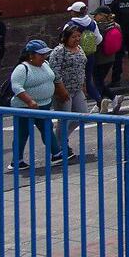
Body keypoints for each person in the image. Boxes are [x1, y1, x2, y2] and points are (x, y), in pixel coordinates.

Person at [9, 40, 58, 170]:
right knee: (22, 132)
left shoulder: (45, 64)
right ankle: (17, 160)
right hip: (24, 107)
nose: (44, 57)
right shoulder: (22, 68)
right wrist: (29, 101)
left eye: (45, 54)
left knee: (47, 128)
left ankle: (57, 154)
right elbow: (16, 87)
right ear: (31, 55)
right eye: (40, 54)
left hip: (44, 104)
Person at [49, 25, 88, 160]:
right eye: (73, 37)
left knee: (82, 115)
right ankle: (60, 146)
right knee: (65, 119)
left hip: (77, 89)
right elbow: (55, 72)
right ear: (66, 37)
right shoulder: (59, 51)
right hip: (63, 90)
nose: (77, 39)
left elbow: (82, 68)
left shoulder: (79, 48)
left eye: (78, 36)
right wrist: (61, 89)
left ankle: (59, 140)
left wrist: (83, 85)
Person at [65, 2, 103, 108]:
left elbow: (64, 40)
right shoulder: (92, 23)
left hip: (73, 55)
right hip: (90, 55)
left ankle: (75, 105)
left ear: (75, 12)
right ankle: (98, 99)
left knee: (74, 80)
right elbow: (99, 39)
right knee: (88, 79)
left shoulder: (70, 25)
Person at [92, 8, 123, 113]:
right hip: (110, 57)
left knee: (97, 82)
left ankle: (99, 104)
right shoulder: (116, 25)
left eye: (96, 14)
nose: (94, 17)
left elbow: (97, 41)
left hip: (99, 58)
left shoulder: (98, 27)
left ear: (102, 15)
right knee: (99, 81)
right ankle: (113, 99)